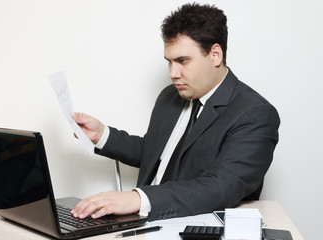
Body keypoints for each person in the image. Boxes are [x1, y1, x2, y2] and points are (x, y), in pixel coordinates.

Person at [71, 3, 280, 221]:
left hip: (190, 225)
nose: (173, 73)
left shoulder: (255, 113)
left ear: (215, 55)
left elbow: (222, 186)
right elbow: (156, 153)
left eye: (182, 61)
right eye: (169, 62)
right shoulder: (169, 97)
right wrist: (103, 135)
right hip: (139, 223)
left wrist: (137, 199)